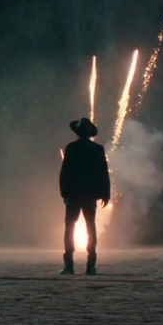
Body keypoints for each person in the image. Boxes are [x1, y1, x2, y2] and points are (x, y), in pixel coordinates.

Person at [58, 117, 110, 275]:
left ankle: (69, 266)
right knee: (91, 227)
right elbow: (103, 173)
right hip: (90, 195)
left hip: (73, 195)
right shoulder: (98, 149)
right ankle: (91, 265)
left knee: (70, 227)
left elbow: (64, 173)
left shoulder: (71, 148)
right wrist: (105, 193)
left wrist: (64, 193)